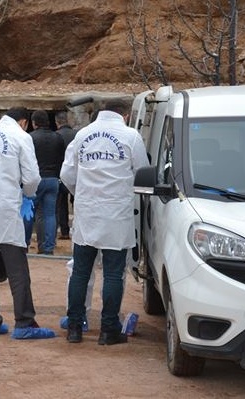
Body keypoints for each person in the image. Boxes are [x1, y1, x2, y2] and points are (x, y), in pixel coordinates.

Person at [60, 99, 149, 345]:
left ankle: (75, 328)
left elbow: (67, 174)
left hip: (87, 213)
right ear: (126, 115)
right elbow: (142, 173)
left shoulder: (82, 135)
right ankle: (109, 330)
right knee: (112, 274)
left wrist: (84, 193)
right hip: (116, 214)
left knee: (80, 272)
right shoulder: (131, 136)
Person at [0, 107, 55, 340]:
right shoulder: (20, 136)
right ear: (24, 121)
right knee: (17, 267)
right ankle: (24, 322)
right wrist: (28, 194)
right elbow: (32, 177)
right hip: (4, 206)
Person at [24, 109, 65, 255]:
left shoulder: (29, 138)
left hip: (35, 180)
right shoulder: (57, 137)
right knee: (49, 214)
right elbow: (62, 159)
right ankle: (48, 247)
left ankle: (25, 244)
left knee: (28, 212)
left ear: (34, 123)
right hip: (53, 179)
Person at [54, 111, 77, 239]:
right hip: (77, 173)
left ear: (57, 123)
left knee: (61, 203)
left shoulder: (55, 135)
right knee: (76, 202)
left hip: (60, 173)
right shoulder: (77, 135)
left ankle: (64, 231)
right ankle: (76, 227)